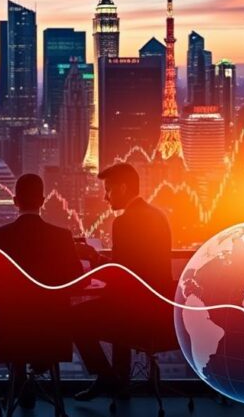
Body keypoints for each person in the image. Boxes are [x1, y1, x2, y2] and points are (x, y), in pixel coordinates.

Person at [0, 173, 84, 408]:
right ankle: (36, 374)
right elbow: (76, 280)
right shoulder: (63, 237)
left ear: (15, 201)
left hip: (14, 328)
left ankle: (21, 381)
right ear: (43, 200)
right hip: (52, 330)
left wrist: (6, 293)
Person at [71, 162, 174, 401]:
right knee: (114, 303)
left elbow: (121, 272)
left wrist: (91, 257)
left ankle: (107, 377)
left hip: (135, 309)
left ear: (124, 188)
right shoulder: (157, 215)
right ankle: (118, 382)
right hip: (158, 307)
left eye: (108, 190)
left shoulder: (125, 222)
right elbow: (134, 265)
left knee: (75, 318)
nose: (106, 198)